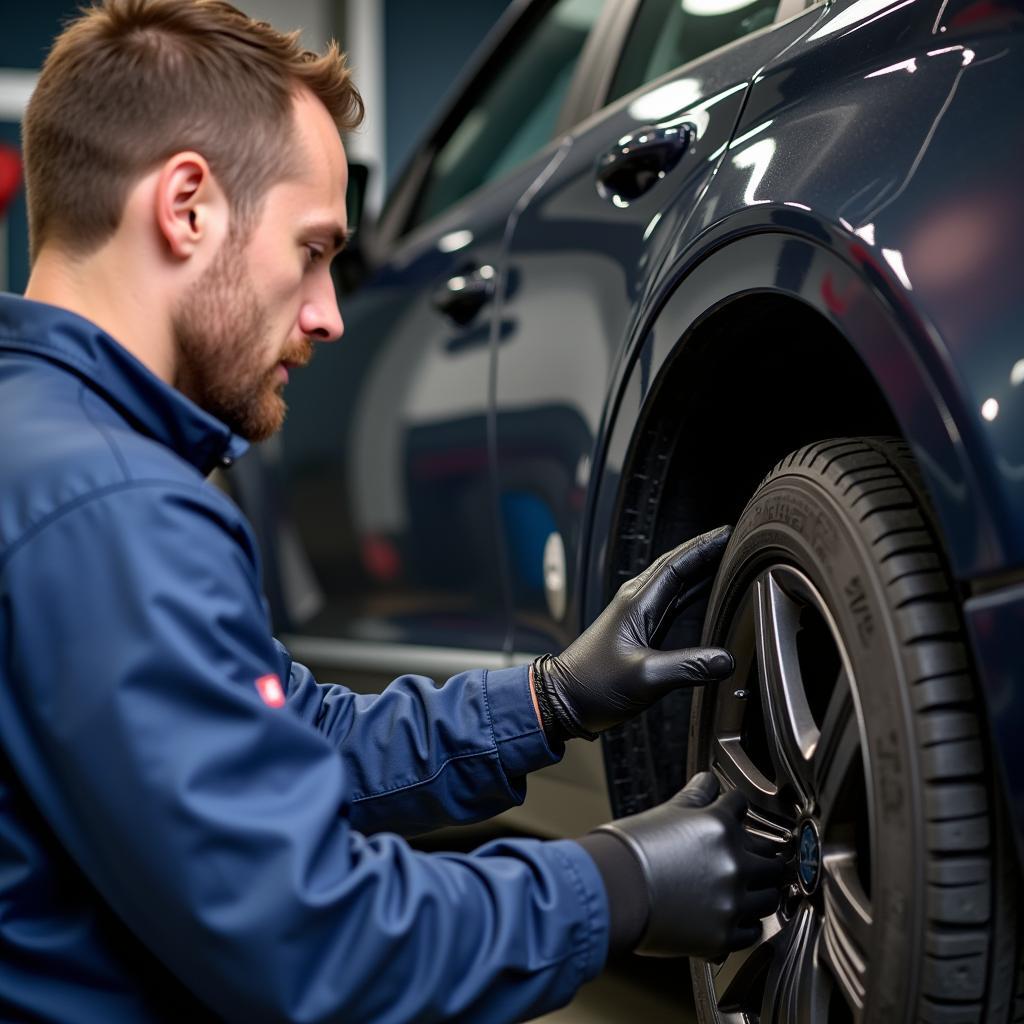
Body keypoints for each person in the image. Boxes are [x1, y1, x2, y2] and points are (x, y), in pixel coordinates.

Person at [0, 2, 783, 1021]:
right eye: (314, 248)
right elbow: (314, 942)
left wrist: (548, 700)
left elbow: (281, 748)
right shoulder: (112, 510)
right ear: (187, 205)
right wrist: (615, 883)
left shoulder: (51, 455)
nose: (329, 312)